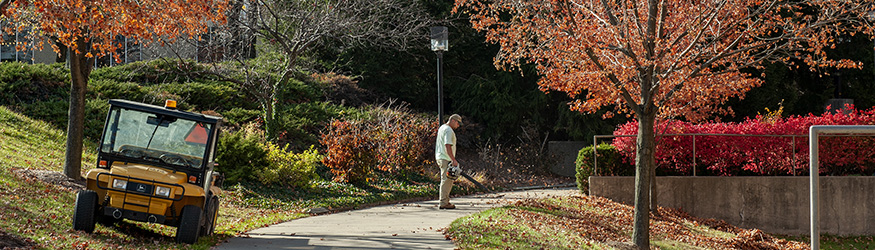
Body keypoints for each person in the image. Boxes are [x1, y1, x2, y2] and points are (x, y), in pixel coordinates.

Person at [435, 114, 462, 209]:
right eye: (458, 123)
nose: (458, 125)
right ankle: (443, 202)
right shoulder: (448, 130)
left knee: (447, 179)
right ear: (453, 121)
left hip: (440, 156)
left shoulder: (442, 128)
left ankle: (445, 201)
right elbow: (447, 145)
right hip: (445, 158)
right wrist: (453, 160)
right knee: (446, 180)